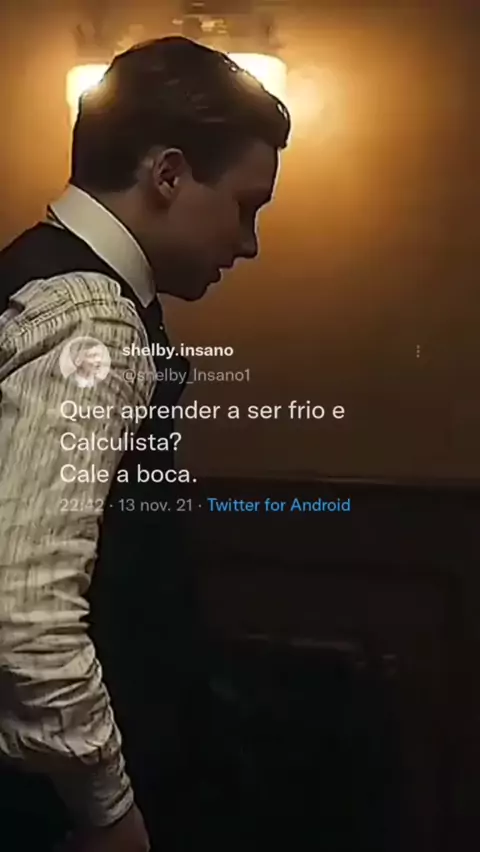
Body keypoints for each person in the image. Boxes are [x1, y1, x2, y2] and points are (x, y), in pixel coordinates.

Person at [0, 36, 290, 852]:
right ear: (167, 174)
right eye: (246, 206)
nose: (249, 243)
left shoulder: (35, 278)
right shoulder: (91, 318)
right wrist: (109, 811)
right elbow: (25, 613)